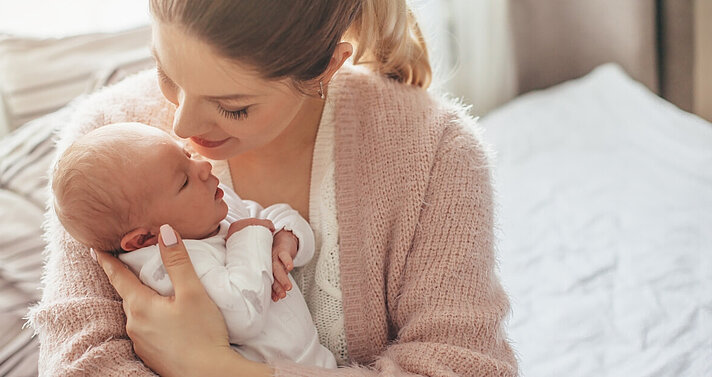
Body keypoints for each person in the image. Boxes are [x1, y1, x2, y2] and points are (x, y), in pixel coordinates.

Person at [30, 0, 519, 376]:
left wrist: (215, 368)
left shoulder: (434, 151)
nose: (182, 125)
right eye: (167, 73)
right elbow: (81, 362)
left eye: (233, 107)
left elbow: (463, 365)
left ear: (328, 66)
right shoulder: (105, 146)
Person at [50, 122, 337, 368]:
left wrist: (287, 238)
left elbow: (274, 215)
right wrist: (249, 236)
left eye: (187, 155)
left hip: (316, 362)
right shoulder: (167, 269)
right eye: (183, 182)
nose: (203, 166)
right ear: (144, 239)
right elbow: (244, 317)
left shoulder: (212, 212)